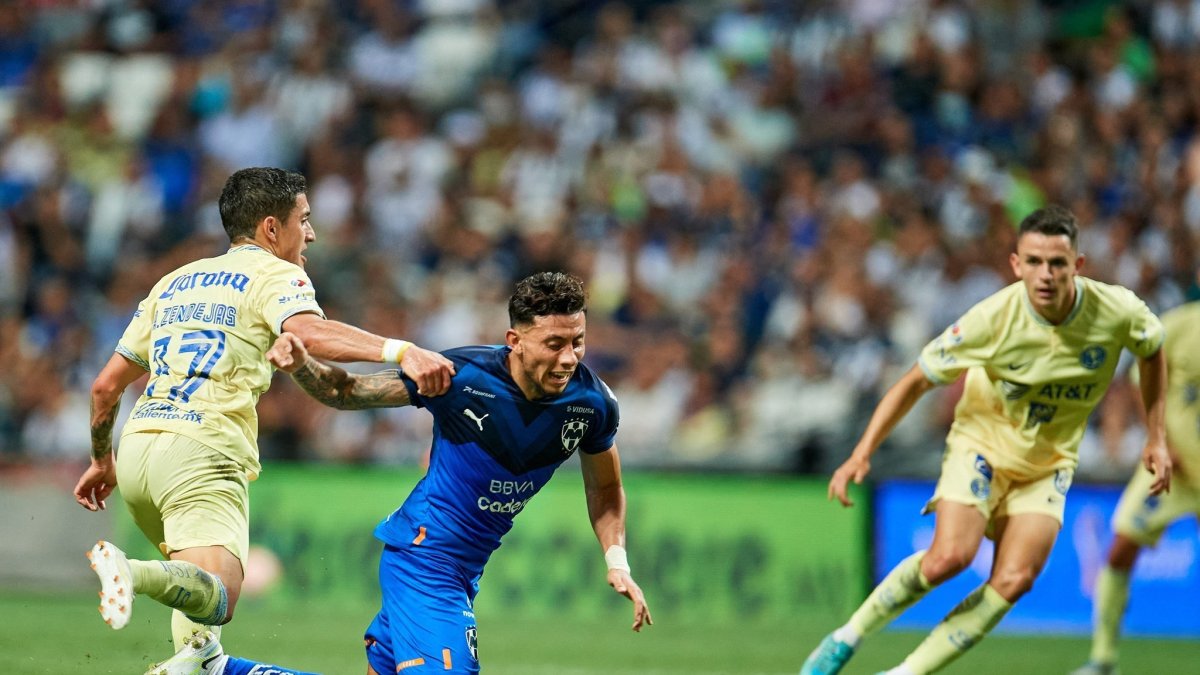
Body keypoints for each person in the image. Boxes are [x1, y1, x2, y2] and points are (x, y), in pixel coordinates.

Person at [72, 167, 455, 674]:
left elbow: (105, 387)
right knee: (220, 598)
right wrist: (401, 350)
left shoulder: (174, 282)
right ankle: (133, 572)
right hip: (202, 450)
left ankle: (193, 662)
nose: (312, 233)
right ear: (272, 229)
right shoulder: (275, 274)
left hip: (139, 449)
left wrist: (103, 459)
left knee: (197, 615)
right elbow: (310, 334)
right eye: (305, 219)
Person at [190, 271, 650, 675]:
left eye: (577, 342)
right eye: (554, 344)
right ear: (515, 341)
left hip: (465, 570)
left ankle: (221, 670)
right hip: (424, 559)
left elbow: (606, 487)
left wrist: (617, 560)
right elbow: (349, 394)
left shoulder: (592, 404)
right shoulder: (460, 376)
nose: (570, 358)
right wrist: (303, 366)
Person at [800, 204, 1173, 675]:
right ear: (1016, 264)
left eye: (1057, 263)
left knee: (1014, 579)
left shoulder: (1117, 311)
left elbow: (1153, 350)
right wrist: (862, 452)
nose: (1045, 275)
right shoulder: (992, 320)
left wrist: (1155, 436)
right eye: (1033, 262)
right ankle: (845, 638)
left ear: (1077, 266)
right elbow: (915, 380)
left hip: (1050, 462)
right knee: (949, 558)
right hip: (982, 446)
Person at [1070, 277, 1200, 675]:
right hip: (1171, 470)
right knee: (1120, 548)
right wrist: (1158, 438)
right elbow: (1140, 375)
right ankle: (1103, 659)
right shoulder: (1180, 324)